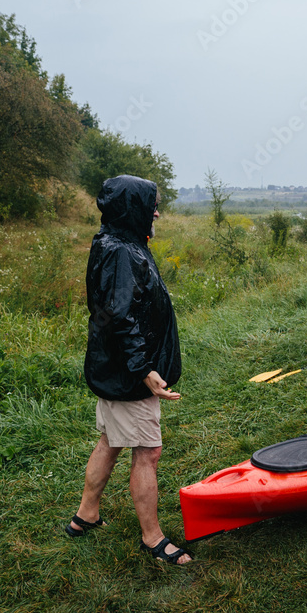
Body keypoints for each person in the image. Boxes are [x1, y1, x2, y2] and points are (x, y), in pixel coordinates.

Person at [65, 174, 190, 566]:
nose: (157, 211)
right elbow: (121, 317)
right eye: (151, 203)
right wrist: (144, 371)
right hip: (126, 373)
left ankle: (85, 515)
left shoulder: (119, 241)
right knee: (148, 451)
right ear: (132, 207)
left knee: (111, 440)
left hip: (116, 367)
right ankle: (152, 538)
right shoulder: (120, 250)